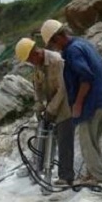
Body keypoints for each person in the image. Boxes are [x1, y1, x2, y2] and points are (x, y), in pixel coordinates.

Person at [40, 19, 102, 186]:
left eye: (53, 44)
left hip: (91, 102)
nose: (55, 48)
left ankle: (100, 179)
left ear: (57, 38)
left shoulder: (72, 51)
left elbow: (86, 78)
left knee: (86, 142)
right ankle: (92, 174)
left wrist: (78, 103)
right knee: (92, 141)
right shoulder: (81, 42)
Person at [15, 37, 75, 186]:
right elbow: (38, 85)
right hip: (50, 104)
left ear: (35, 53)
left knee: (64, 140)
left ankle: (66, 177)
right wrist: (38, 103)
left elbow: (62, 89)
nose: (30, 63)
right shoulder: (38, 65)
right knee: (43, 135)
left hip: (65, 106)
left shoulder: (56, 61)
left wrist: (51, 109)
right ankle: (39, 169)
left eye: (30, 59)